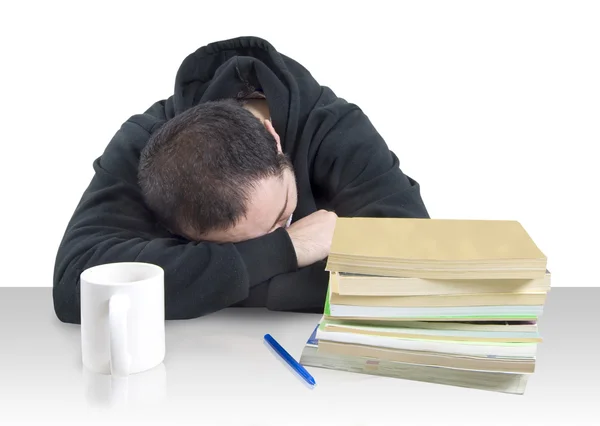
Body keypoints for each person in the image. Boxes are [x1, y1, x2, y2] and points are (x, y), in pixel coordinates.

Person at [53, 36, 429, 324]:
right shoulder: (145, 149)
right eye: (244, 244)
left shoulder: (336, 128)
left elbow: (417, 269)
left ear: (274, 138)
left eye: (283, 212)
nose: (277, 233)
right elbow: (77, 287)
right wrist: (288, 250)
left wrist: (207, 279)